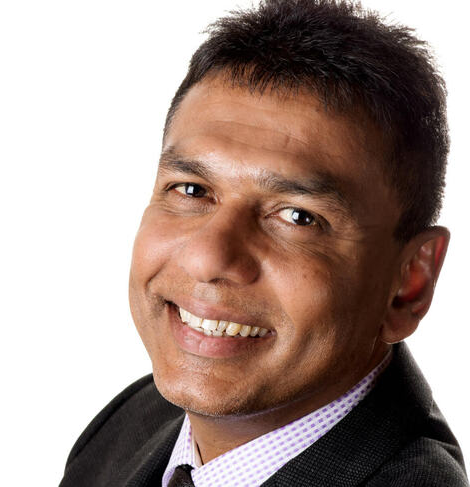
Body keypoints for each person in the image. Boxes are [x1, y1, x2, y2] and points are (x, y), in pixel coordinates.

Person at [59, 0, 469, 485]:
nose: (209, 258)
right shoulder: (131, 422)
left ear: (409, 283)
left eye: (298, 216)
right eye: (192, 190)